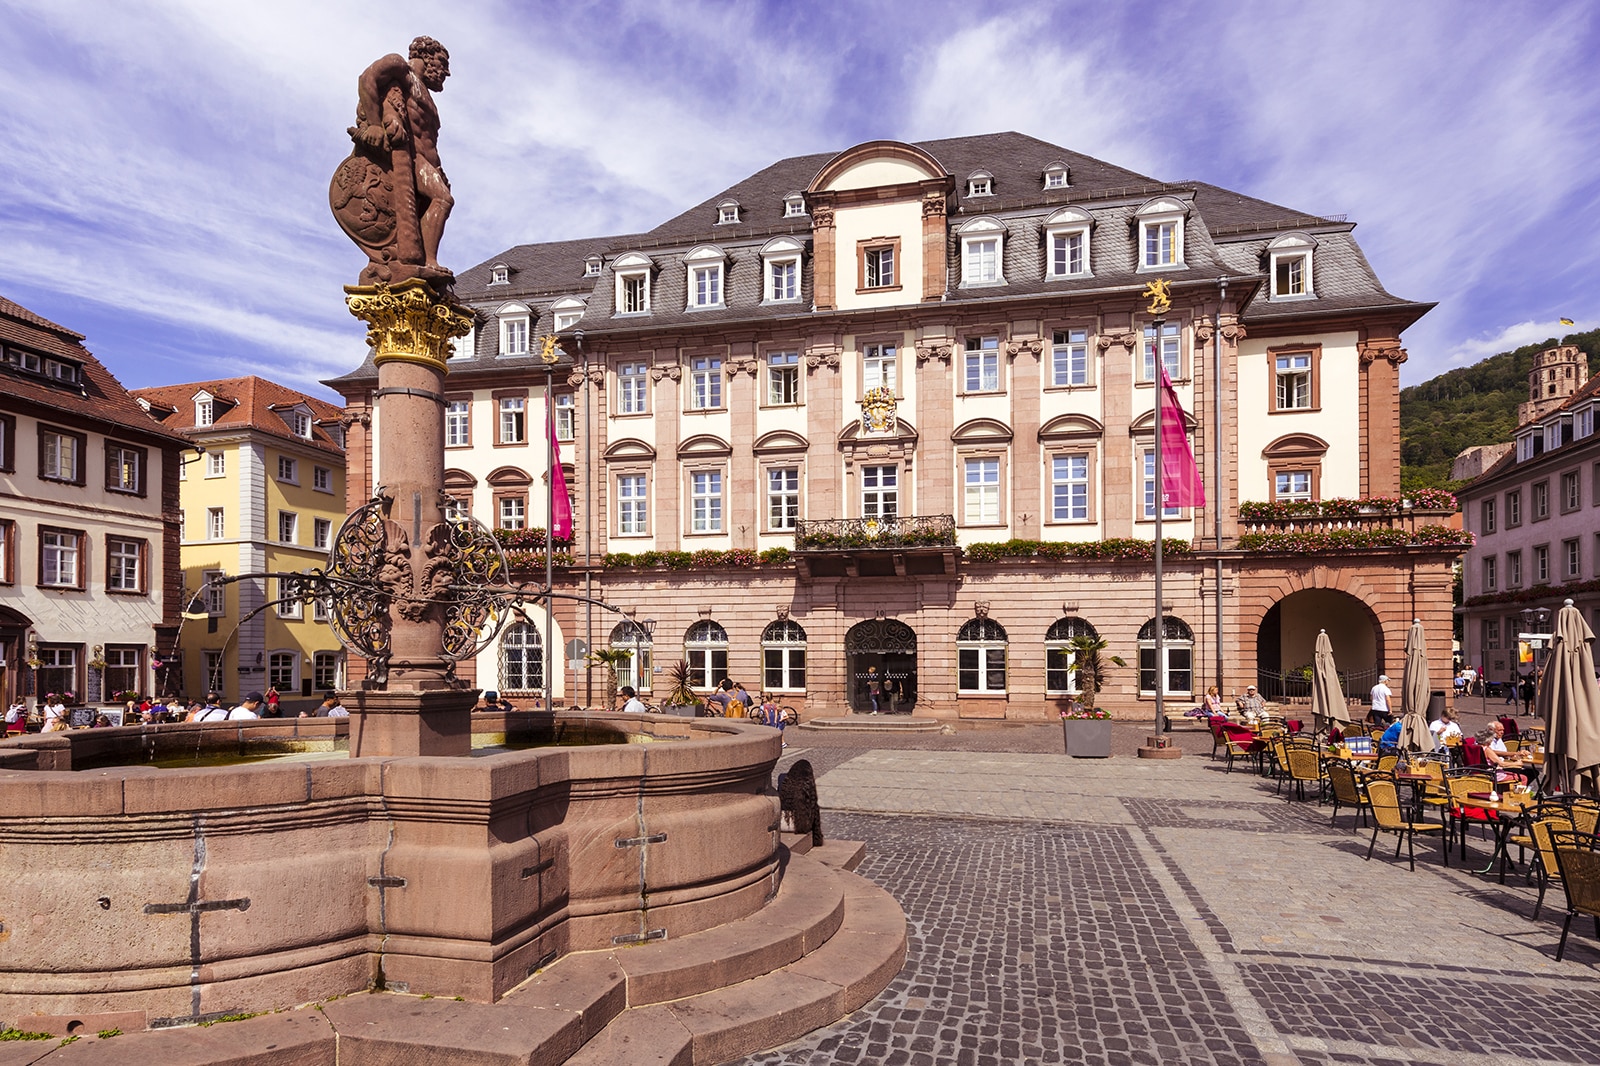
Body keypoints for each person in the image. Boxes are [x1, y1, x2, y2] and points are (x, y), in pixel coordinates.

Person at [331, 37, 455, 284]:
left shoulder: (426, 95)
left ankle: (425, 259)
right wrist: (376, 125)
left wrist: (438, 170)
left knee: (436, 203)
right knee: (442, 199)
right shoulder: (401, 68)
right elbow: (367, 79)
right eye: (442, 62)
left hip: (429, 165)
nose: (446, 72)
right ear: (426, 55)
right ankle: (429, 260)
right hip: (410, 158)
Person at [778, 759, 823, 846]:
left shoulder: (783, 779)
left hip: (782, 824)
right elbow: (814, 813)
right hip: (801, 826)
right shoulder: (808, 787)